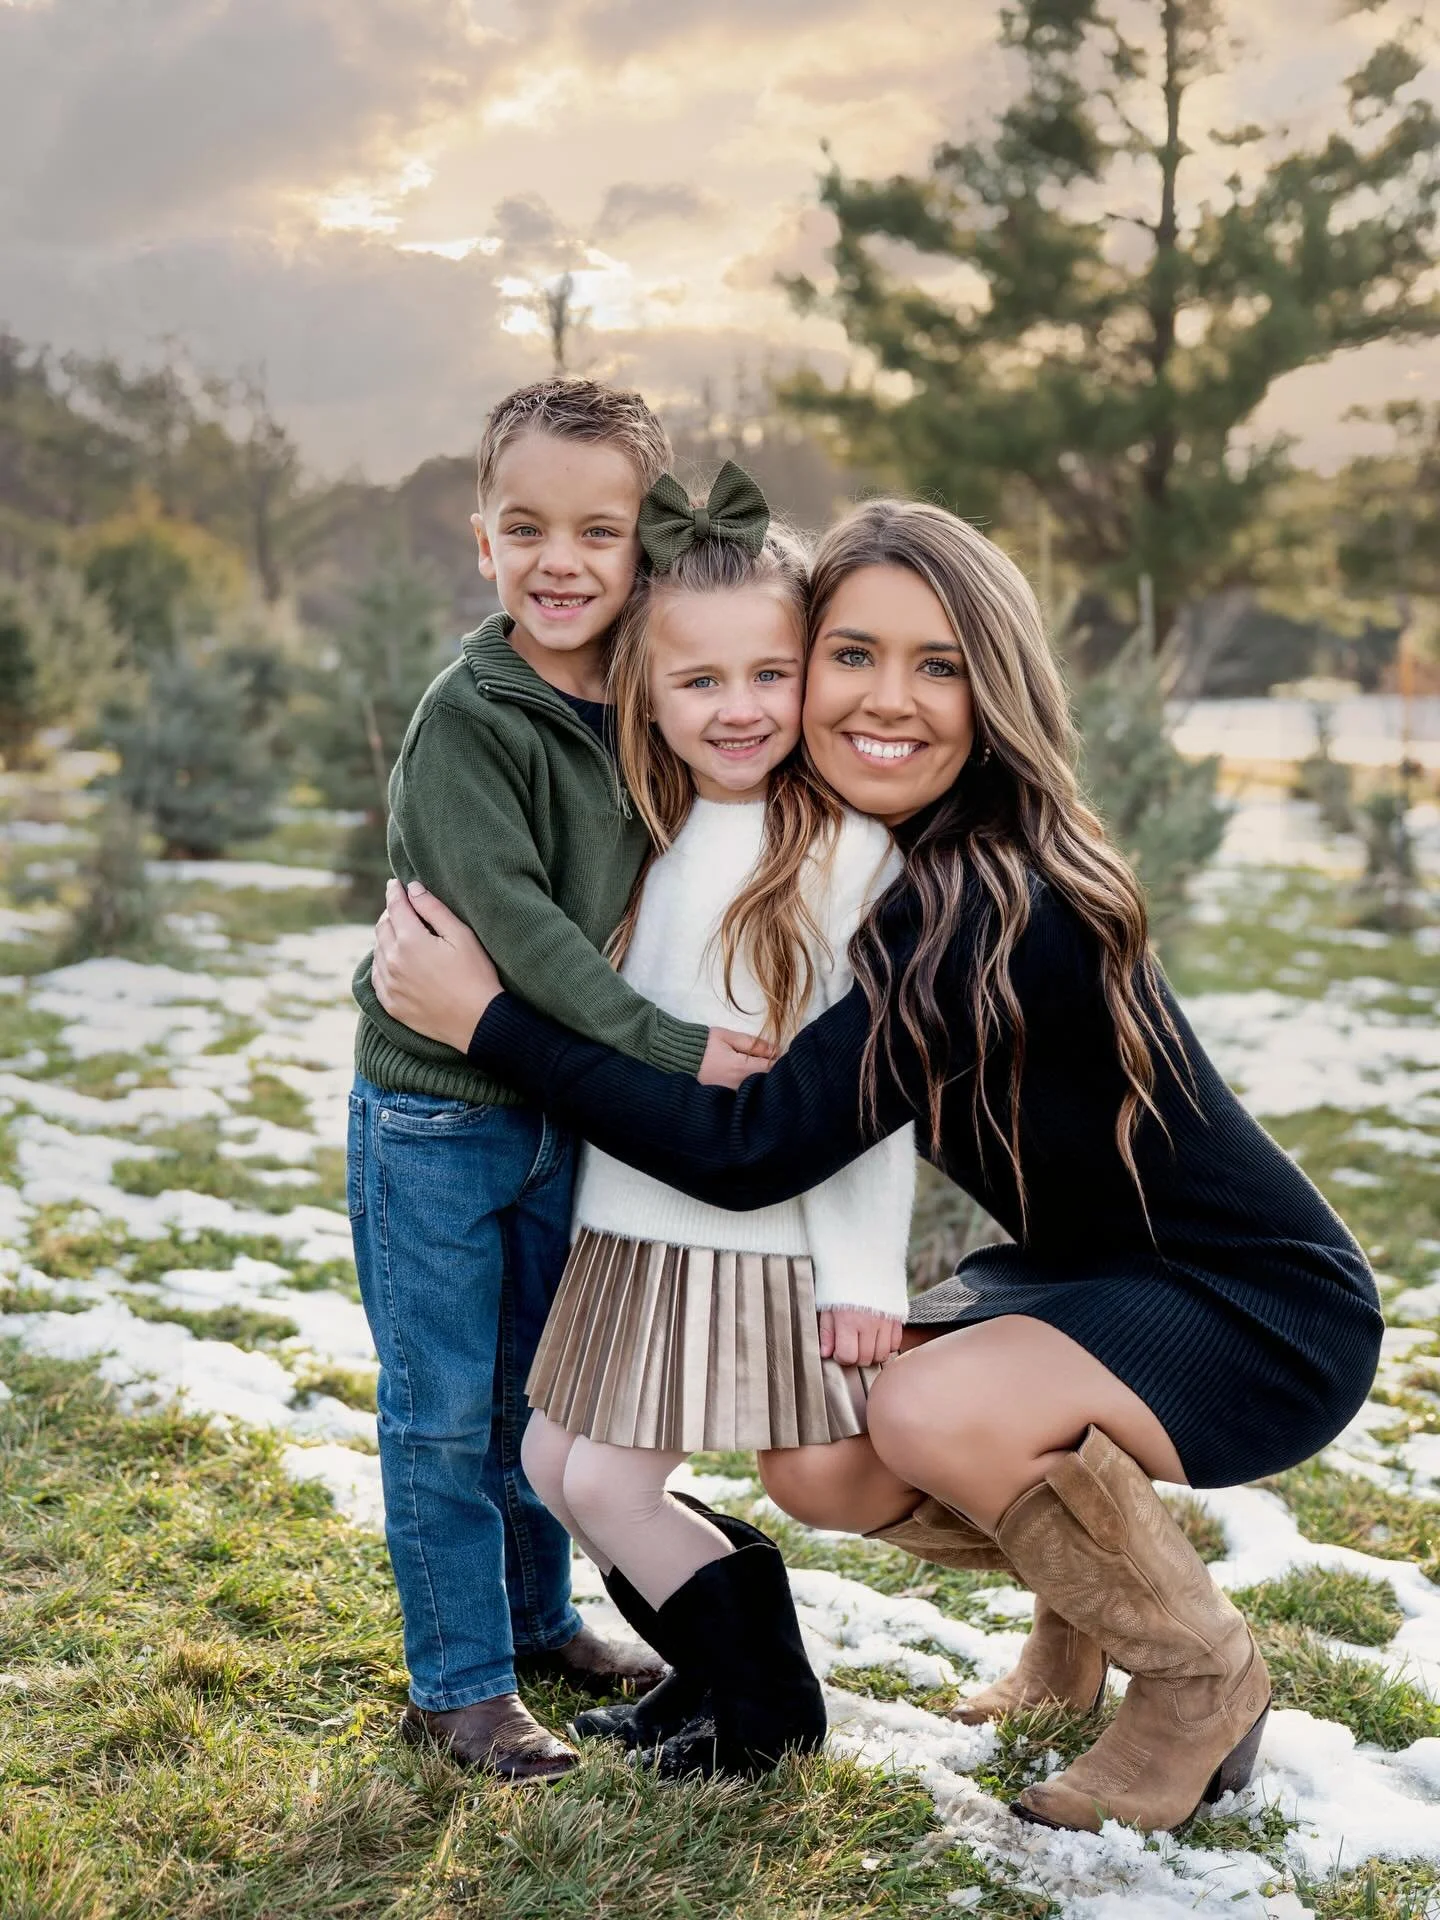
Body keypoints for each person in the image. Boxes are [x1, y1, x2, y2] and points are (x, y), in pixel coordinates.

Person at [370, 496, 1383, 1834]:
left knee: (924, 1415)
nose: (884, 699)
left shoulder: (989, 903)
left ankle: (1201, 1680)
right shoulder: (896, 864)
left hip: (1254, 1309)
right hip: (1080, 1278)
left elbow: (753, 1152)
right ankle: (1071, 1631)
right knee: (823, 1467)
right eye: (851, 655)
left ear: (997, 685)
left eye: (938, 663)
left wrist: (489, 1025)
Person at [347, 378, 767, 1783]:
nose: (560, 560)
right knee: (443, 1404)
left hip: (559, 1112)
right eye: (524, 527)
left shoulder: (646, 696)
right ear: (482, 540)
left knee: (540, 1399)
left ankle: (539, 1620)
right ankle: (458, 1688)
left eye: (597, 530)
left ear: (643, 543)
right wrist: (673, 1050)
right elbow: (520, 939)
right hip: (440, 1117)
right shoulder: (473, 718)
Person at [518, 464, 915, 1779]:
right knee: (554, 1462)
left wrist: (863, 1275)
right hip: (630, 1220)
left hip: (734, 1234)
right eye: (700, 683)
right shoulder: (663, 827)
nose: (738, 709)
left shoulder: (841, 854)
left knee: (615, 1485)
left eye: (770, 674)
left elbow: (874, 1094)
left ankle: (766, 1715)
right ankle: (708, 1675)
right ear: (648, 693)